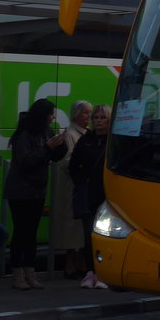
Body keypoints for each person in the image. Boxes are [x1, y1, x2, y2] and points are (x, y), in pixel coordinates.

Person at [4, 98, 67, 290]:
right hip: (21, 191)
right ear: (42, 116)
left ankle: (30, 274)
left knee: (30, 233)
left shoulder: (46, 132)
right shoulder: (24, 135)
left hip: (37, 189)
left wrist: (60, 145)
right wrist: (47, 147)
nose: (52, 117)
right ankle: (17, 275)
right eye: (50, 114)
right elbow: (25, 162)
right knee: (21, 232)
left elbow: (54, 157)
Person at [69, 103, 111, 289]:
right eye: (96, 118)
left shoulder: (113, 140)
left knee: (107, 235)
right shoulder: (87, 139)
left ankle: (105, 272)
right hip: (88, 193)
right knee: (89, 234)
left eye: (102, 118)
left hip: (108, 194)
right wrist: (80, 182)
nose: (98, 121)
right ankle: (90, 272)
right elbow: (73, 165)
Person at [50, 100, 91, 278]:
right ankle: (70, 264)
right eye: (85, 113)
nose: (88, 117)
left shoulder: (87, 134)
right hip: (72, 185)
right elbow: (66, 162)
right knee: (71, 225)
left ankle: (81, 263)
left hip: (83, 185)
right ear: (76, 114)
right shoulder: (70, 134)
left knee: (82, 226)